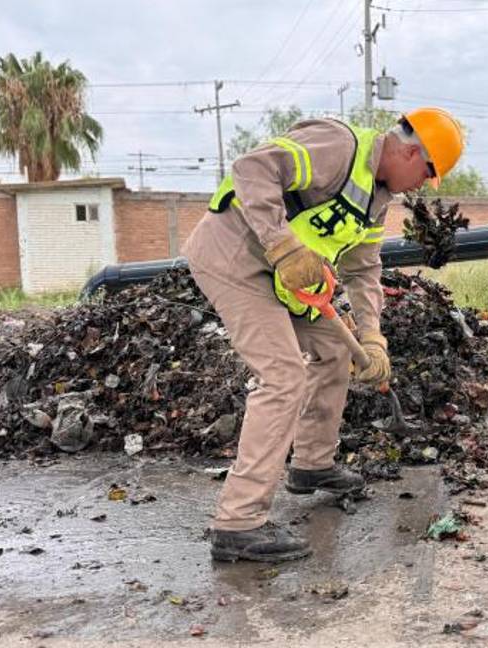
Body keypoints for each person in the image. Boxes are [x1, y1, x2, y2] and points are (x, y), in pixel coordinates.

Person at [182, 107, 464, 563]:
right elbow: (251, 168)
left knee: (336, 349)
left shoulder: (377, 198)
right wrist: (283, 245)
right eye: (426, 174)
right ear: (412, 153)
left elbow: (364, 269)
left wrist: (372, 338)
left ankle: (312, 465)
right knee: (283, 375)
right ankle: (238, 523)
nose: (419, 186)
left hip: (286, 281)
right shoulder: (339, 146)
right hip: (235, 259)